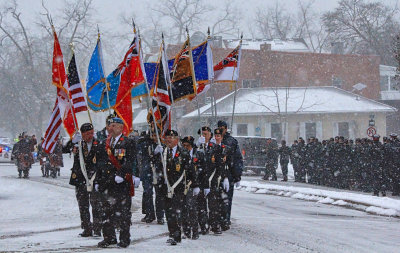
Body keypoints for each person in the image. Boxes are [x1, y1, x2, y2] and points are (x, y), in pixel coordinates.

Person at [95, 117, 138, 248]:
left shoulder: (127, 142)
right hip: (107, 183)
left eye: (113, 125)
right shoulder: (104, 143)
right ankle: (109, 237)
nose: (110, 128)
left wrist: (121, 174)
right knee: (106, 212)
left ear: (120, 127)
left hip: (121, 183)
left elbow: (130, 161)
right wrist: (98, 180)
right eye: (109, 125)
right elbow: (99, 164)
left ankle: (124, 239)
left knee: (123, 212)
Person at [154, 130, 198, 245]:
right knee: (169, 212)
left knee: (177, 211)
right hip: (165, 187)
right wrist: (155, 155)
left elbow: (190, 170)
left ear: (177, 139)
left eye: (171, 137)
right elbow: (157, 169)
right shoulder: (162, 152)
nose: (169, 140)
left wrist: (195, 185)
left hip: (178, 188)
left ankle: (177, 234)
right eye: (167, 137)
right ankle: (172, 234)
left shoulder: (183, 152)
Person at [63, 123, 102, 237]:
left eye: (91, 133)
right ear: (82, 134)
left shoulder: (98, 144)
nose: (90, 135)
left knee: (96, 205)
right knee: (83, 205)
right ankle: (86, 228)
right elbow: (64, 149)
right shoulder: (78, 144)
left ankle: (97, 228)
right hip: (80, 178)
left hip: (94, 178)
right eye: (87, 133)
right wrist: (72, 141)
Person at [217, 120, 243, 230]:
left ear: (226, 128)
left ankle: (225, 220)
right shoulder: (215, 140)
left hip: (229, 174)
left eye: (223, 127)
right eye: (219, 127)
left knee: (226, 199)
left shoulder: (232, 141)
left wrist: (237, 176)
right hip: (216, 174)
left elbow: (237, 159)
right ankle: (216, 219)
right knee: (216, 199)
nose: (221, 129)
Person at [181, 136, 200, 240]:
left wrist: (196, 185)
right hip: (181, 185)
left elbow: (195, 171)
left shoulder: (196, 154)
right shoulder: (181, 154)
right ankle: (186, 231)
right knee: (183, 209)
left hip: (191, 185)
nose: (185, 147)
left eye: (187, 146)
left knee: (191, 208)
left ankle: (195, 231)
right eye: (183, 145)